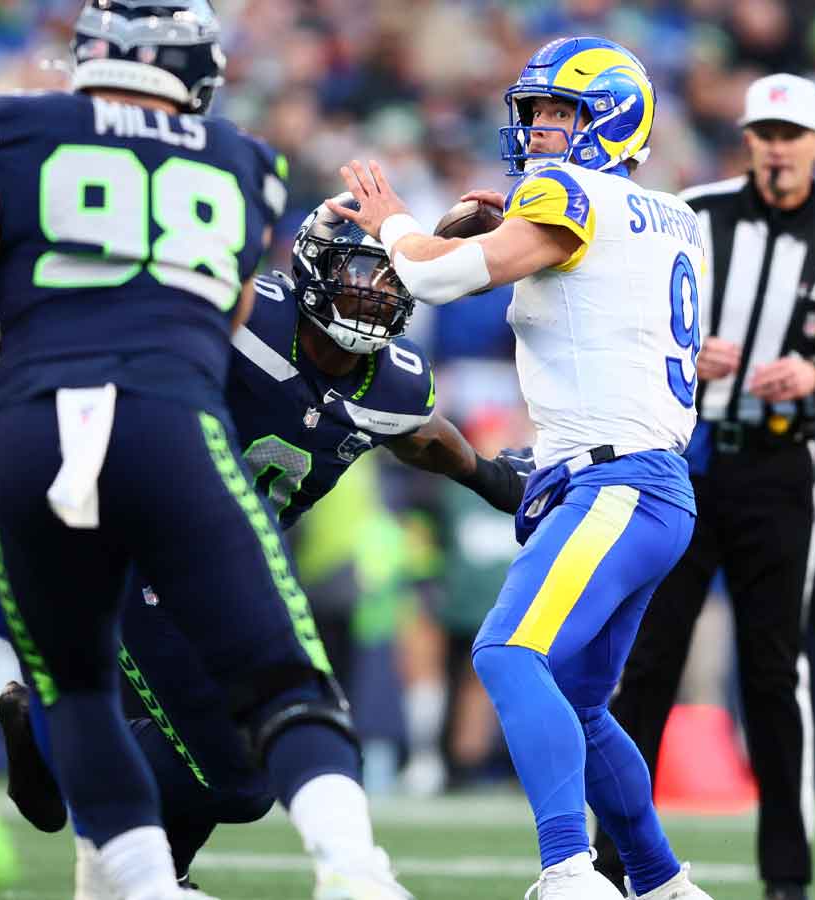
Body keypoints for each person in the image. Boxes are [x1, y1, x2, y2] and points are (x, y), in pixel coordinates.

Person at [0, 3, 417, 898]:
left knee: (79, 685)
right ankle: (355, 873)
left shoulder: (11, 131)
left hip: (35, 431)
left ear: (92, 56)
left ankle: (135, 880)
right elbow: (227, 319)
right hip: (168, 430)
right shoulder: (245, 165)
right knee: (283, 672)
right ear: (197, 76)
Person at [0, 194, 528, 891]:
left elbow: (422, 435)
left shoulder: (397, 380)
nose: (371, 295)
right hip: (131, 545)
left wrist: (493, 479)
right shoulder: (245, 320)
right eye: (357, 273)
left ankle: (96, 795)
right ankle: (64, 756)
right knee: (240, 773)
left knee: (232, 762)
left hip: (226, 567)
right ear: (308, 265)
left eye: (387, 278)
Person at [329, 35, 714, 900]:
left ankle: (569, 870)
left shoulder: (568, 192)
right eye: (535, 110)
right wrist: (505, 221)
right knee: (578, 699)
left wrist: (395, 221)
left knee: (507, 653)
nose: (541, 126)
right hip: (651, 485)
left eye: (561, 111)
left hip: (615, 481)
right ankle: (660, 883)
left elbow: (434, 281)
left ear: (610, 119)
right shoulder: (670, 213)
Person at [591, 74, 815, 900]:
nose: (776, 146)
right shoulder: (692, 212)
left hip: (777, 466)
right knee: (648, 660)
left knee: (772, 673)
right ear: (747, 139)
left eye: (791, 134)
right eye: (763, 131)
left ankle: (786, 878)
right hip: (683, 456)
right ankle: (608, 865)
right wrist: (688, 354)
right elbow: (625, 310)